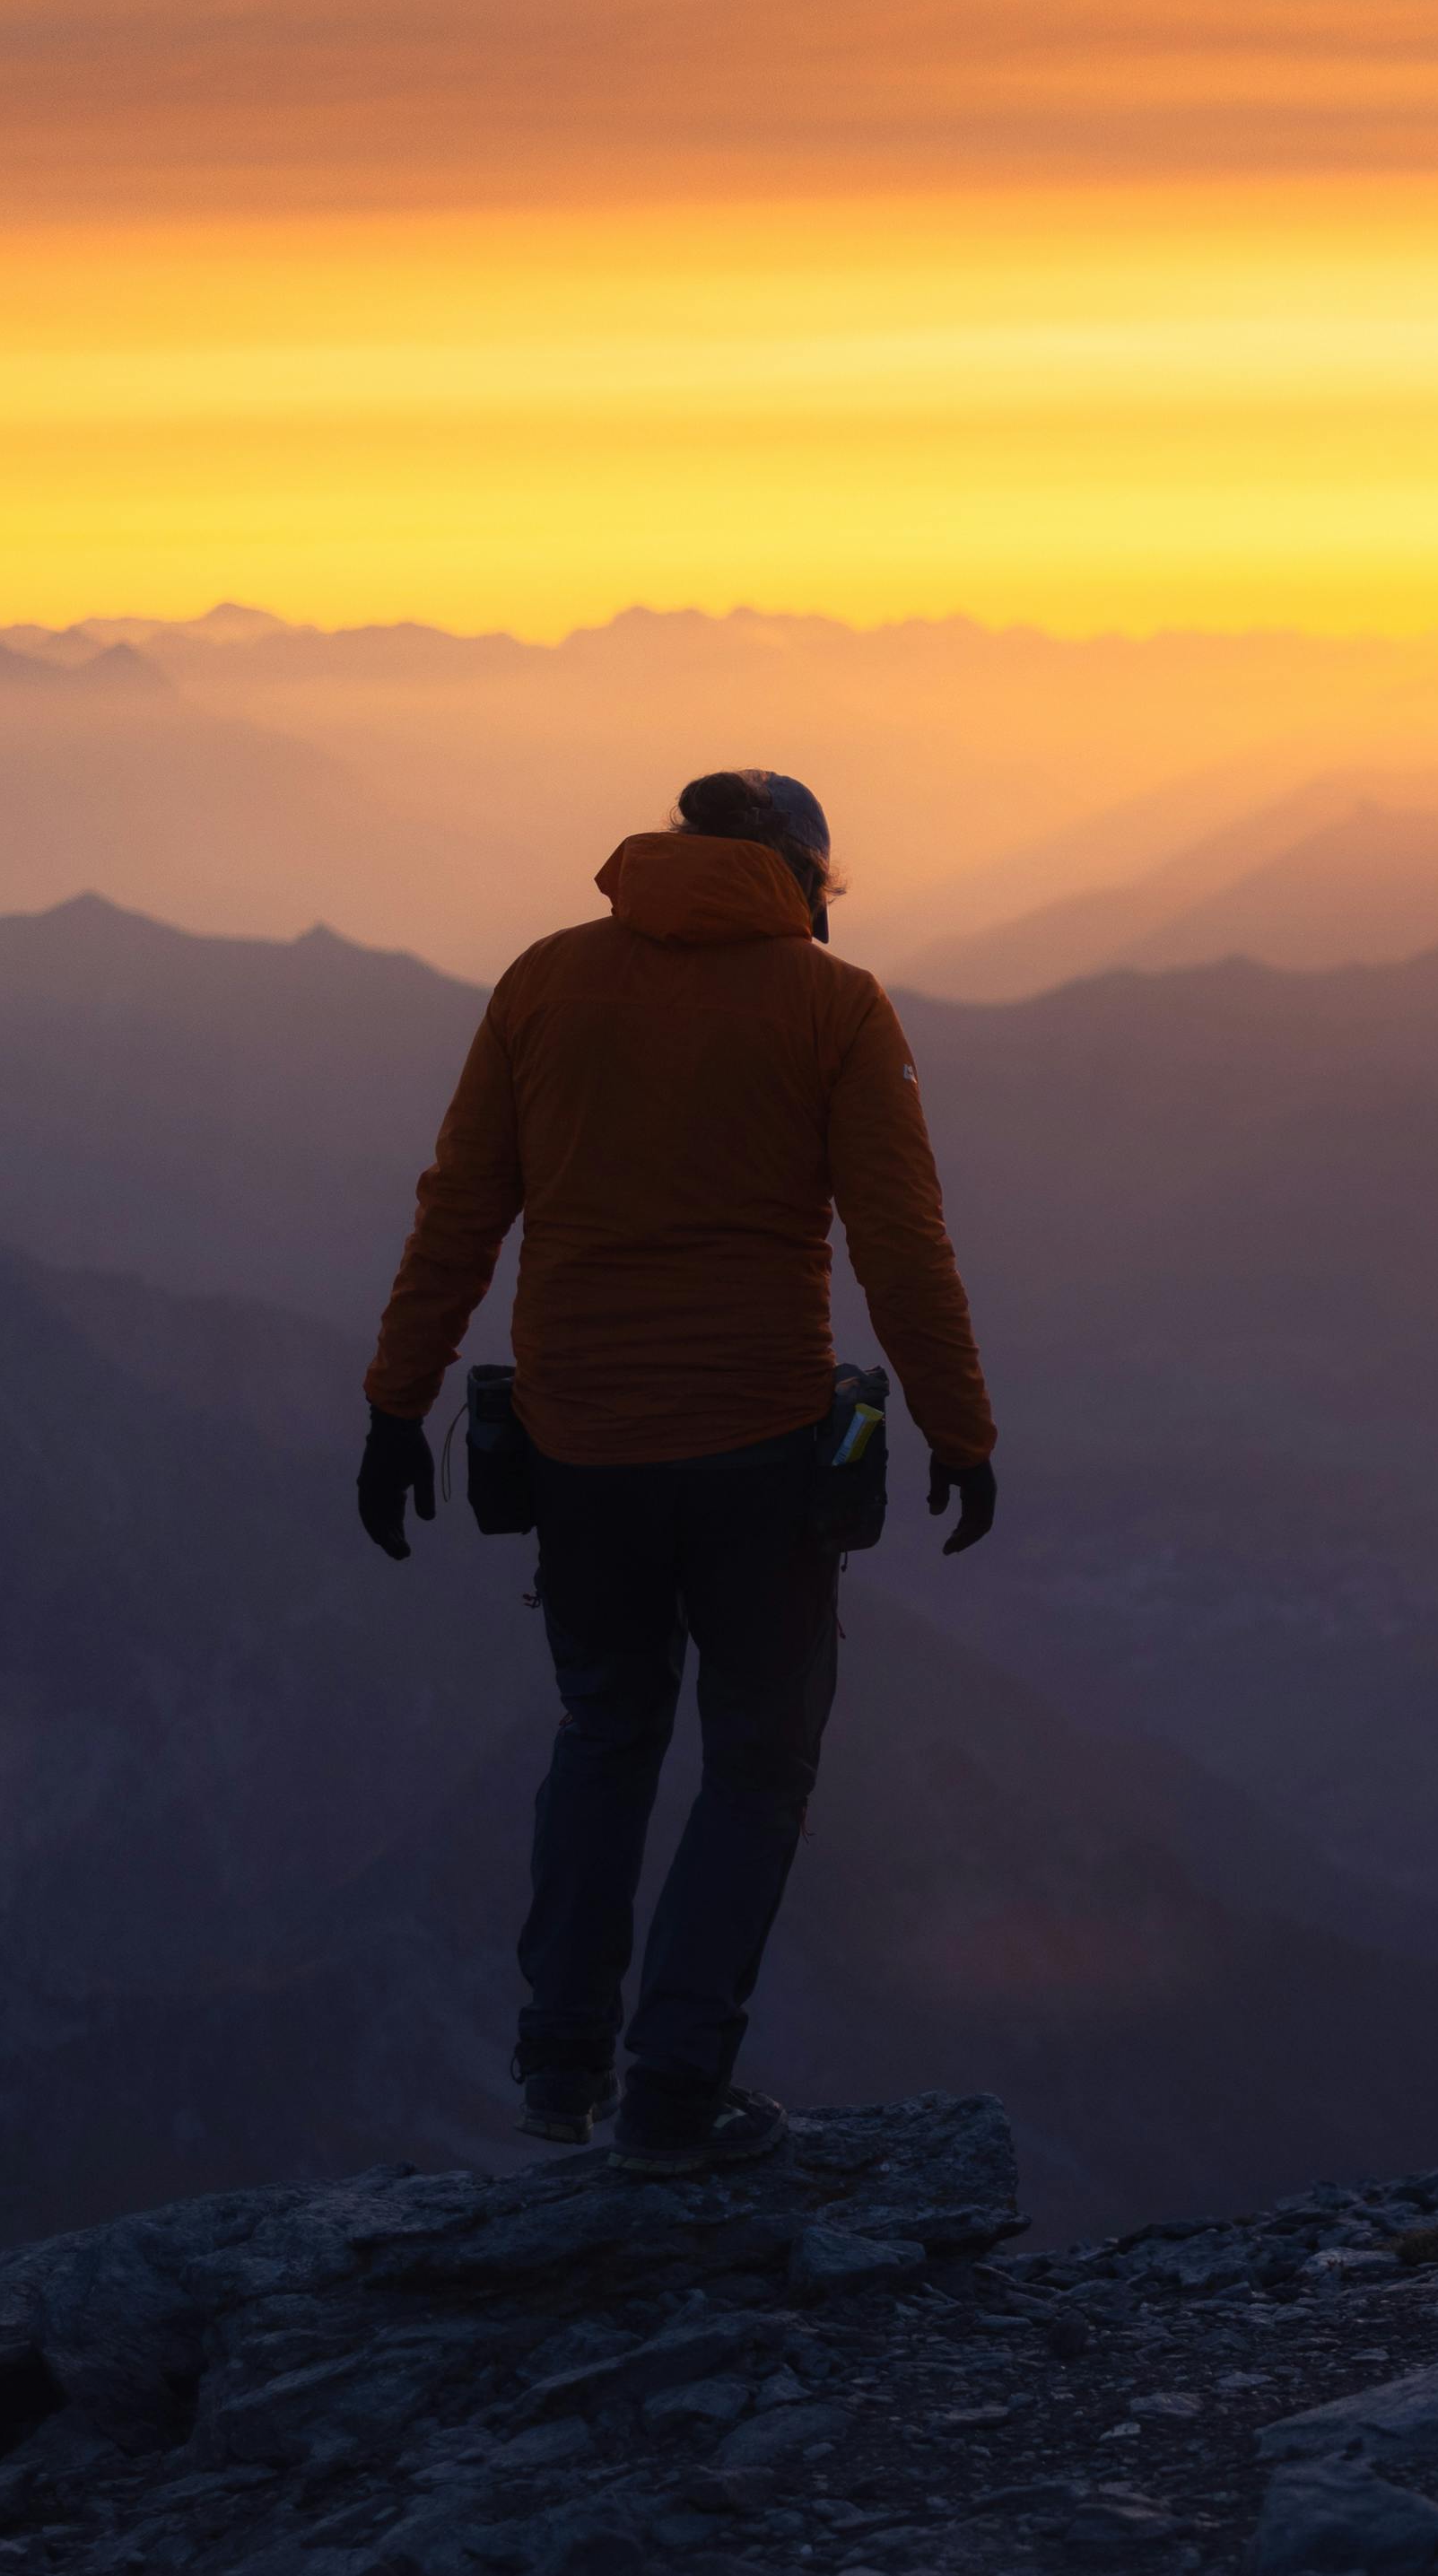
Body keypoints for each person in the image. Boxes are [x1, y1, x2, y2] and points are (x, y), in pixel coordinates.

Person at [354, 767, 999, 2176]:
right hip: (762, 1451)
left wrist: (396, 1403)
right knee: (756, 1769)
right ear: (802, 880)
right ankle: (670, 2097)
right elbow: (901, 1246)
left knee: (604, 1733)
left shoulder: (543, 980)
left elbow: (459, 1207)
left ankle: (556, 2068)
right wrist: (962, 1430)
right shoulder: (833, 1007)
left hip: (580, 1448)